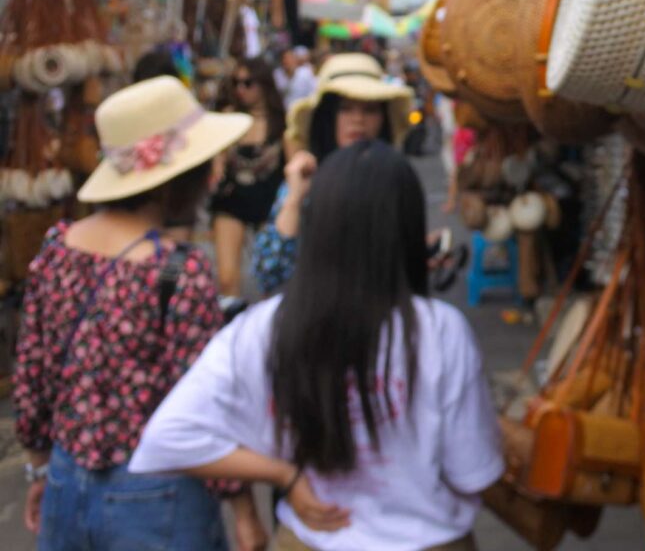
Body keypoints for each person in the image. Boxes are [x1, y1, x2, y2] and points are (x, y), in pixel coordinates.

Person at [130, 141, 505, 550]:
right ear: (407, 226)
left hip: (311, 539)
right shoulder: (440, 332)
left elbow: (166, 438)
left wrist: (283, 475)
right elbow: (474, 472)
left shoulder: (266, 327)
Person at [13, 76, 266, 551]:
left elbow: (32, 374)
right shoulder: (178, 269)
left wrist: (41, 469)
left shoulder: (57, 246)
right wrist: (244, 508)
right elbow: (205, 405)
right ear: (179, 177)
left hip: (67, 480)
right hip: (159, 492)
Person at [252, 53, 413, 294]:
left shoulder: (395, 179)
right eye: (345, 109)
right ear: (327, 118)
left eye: (369, 109)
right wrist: (295, 197)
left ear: (383, 119)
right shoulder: (308, 179)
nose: (358, 119)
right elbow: (270, 272)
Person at [210, 57, 286, 297]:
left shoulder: (281, 122)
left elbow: (294, 164)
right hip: (232, 200)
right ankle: (231, 325)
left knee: (271, 278)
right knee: (227, 278)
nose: (240, 89)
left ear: (264, 84)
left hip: (269, 201)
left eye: (247, 83)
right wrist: (216, 167)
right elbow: (216, 156)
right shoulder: (228, 118)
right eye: (236, 83)